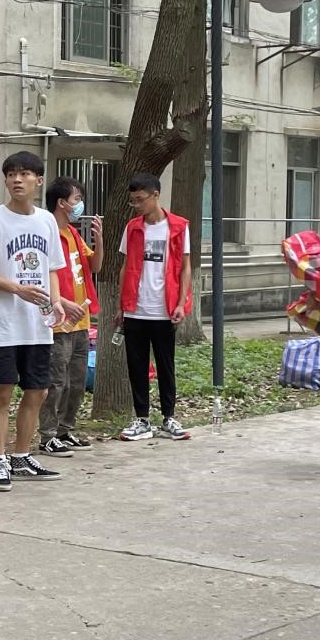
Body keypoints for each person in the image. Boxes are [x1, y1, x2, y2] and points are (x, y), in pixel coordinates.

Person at [0, 151, 83, 492]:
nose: (17, 180)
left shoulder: (46, 221)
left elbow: (52, 269)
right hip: (4, 326)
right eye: (11, 174)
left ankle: (21, 457)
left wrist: (56, 302)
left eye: (24, 174)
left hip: (37, 326)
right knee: (3, 392)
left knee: (38, 391)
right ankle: (0, 460)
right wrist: (17, 289)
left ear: (38, 180)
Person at [115, 173, 192, 442]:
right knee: (136, 366)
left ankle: (169, 417)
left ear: (155, 195)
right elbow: (125, 267)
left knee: (165, 365)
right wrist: (121, 305)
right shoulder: (132, 227)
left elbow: (185, 267)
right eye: (133, 201)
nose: (136, 205)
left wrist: (181, 302)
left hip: (164, 308)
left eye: (140, 199)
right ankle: (142, 419)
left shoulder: (179, 226)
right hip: (135, 308)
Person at [38, 176, 102, 456]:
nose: (80, 205)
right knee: (56, 381)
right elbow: (41, 277)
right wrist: (62, 302)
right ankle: (48, 435)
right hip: (59, 321)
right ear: (62, 203)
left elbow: (95, 266)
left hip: (81, 319)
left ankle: (65, 430)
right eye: (77, 199)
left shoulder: (73, 234)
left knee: (76, 381)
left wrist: (99, 240)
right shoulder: (47, 233)